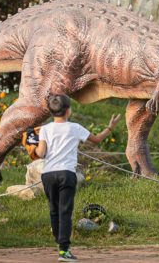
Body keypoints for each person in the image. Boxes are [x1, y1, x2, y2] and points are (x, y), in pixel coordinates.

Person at [35, 94, 121, 261]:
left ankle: (58, 242)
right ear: (68, 110)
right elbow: (96, 140)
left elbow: (41, 153)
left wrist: (32, 147)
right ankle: (64, 251)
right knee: (65, 212)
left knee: (54, 210)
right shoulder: (75, 128)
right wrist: (110, 128)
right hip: (66, 174)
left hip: (48, 174)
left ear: (52, 111)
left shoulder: (44, 129)